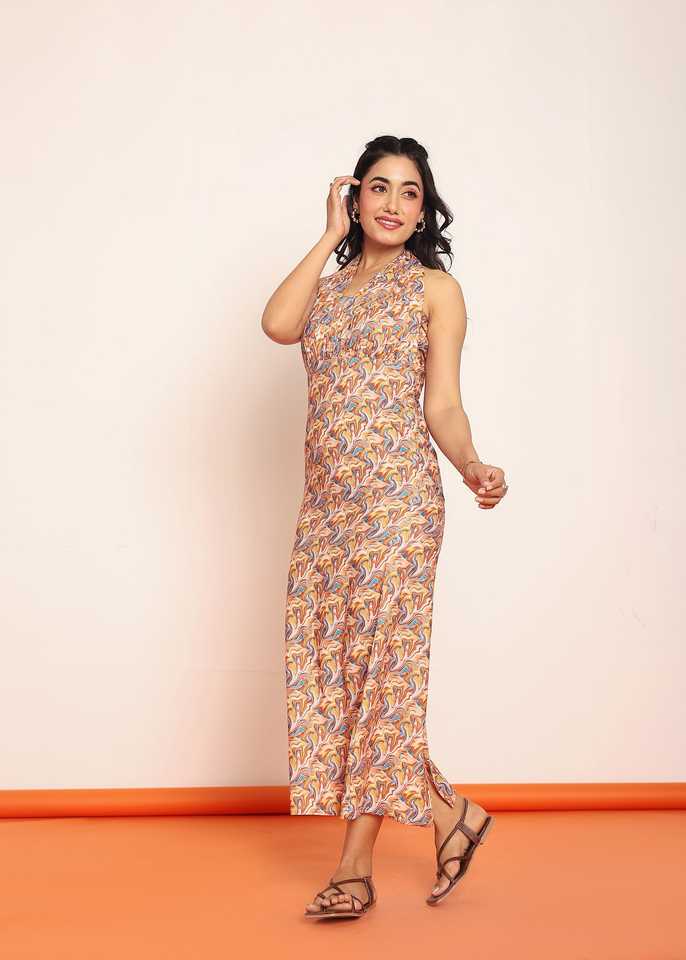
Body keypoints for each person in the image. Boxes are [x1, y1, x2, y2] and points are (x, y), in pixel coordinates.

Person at [261, 135, 508, 920]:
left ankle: (354, 868)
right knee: (336, 678)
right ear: (355, 197)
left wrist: (470, 463)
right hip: (327, 512)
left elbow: (444, 402)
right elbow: (277, 324)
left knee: (385, 678)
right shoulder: (327, 291)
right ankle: (451, 814)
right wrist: (328, 236)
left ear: (424, 210)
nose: (393, 203)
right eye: (378, 187)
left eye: (409, 192)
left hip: (399, 505)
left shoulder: (435, 290)